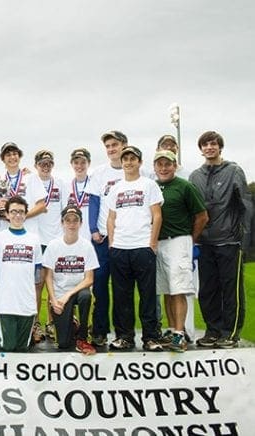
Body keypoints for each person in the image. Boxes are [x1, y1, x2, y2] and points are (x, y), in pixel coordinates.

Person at [189, 131, 250, 349]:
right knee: (207, 290)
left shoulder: (234, 171)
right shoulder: (195, 175)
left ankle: (230, 333)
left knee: (231, 290)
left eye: (213, 144)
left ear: (220, 147)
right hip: (205, 243)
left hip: (229, 241)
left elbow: (245, 204)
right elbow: (193, 210)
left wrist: (244, 237)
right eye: (205, 145)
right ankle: (213, 331)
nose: (209, 148)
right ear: (201, 148)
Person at [106, 146, 164, 351]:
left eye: (132, 158)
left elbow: (157, 215)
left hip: (142, 246)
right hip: (120, 248)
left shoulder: (149, 185)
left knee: (148, 294)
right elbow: (111, 218)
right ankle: (124, 336)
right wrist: (112, 243)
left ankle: (150, 337)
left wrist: (153, 243)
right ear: (121, 163)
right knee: (122, 296)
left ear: (139, 162)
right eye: (125, 159)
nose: (129, 162)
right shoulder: (115, 188)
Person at [154, 150, 208, 352]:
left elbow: (202, 216)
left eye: (167, 164)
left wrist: (190, 239)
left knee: (178, 290)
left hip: (179, 240)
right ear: (155, 167)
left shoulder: (185, 186)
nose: (163, 168)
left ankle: (180, 333)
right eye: (160, 164)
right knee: (167, 289)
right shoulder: (154, 187)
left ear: (174, 166)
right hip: (160, 243)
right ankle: (171, 330)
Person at [86, 130, 128, 347]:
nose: (111, 149)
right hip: (102, 239)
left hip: (125, 239)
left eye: (115, 145)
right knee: (100, 286)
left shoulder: (135, 171)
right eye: (108, 146)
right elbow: (93, 202)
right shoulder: (100, 173)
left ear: (124, 145)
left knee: (122, 288)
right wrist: (93, 228)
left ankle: (123, 332)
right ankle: (100, 330)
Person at [0, 196, 43, 352]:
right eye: (13, 212)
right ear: (6, 214)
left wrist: (30, 292)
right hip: (5, 303)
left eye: (21, 212)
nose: (17, 215)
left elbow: (37, 272)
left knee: (22, 348)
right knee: (8, 346)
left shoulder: (34, 239)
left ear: (26, 214)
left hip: (27, 304)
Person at [42, 205, 99, 355]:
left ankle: (82, 337)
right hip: (60, 296)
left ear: (81, 223)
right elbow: (48, 276)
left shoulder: (86, 246)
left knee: (86, 296)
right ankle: (72, 324)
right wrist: (53, 300)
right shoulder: (53, 246)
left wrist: (69, 294)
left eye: (75, 221)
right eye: (68, 221)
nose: (71, 224)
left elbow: (89, 279)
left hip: (79, 290)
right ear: (62, 223)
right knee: (63, 344)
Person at [33, 149, 69, 341]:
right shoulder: (30, 182)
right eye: (42, 164)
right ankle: (36, 323)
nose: (45, 167)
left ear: (52, 165)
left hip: (55, 241)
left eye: (48, 163)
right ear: (36, 165)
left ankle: (52, 322)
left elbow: (66, 211)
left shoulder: (61, 184)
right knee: (37, 284)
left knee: (54, 283)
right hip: (38, 242)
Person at [67, 148, 92, 240]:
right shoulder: (66, 186)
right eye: (76, 162)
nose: (79, 166)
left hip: (92, 236)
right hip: (74, 237)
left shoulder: (95, 184)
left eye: (83, 162)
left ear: (89, 163)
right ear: (71, 164)